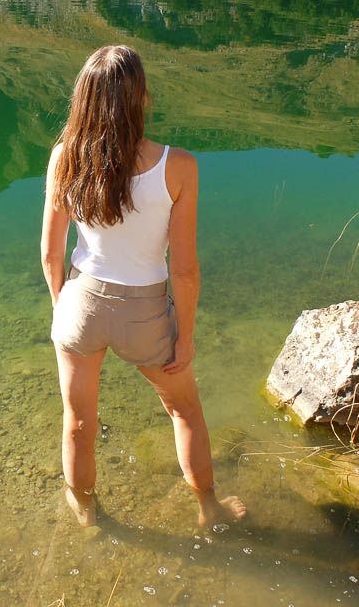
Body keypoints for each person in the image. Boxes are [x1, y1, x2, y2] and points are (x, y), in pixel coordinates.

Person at [40, 45, 246, 528]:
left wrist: (61, 308)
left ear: (84, 99)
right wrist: (186, 336)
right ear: (141, 98)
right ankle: (208, 510)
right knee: (185, 412)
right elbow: (185, 268)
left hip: (80, 304)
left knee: (78, 424)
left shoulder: (64, 158)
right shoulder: (178, 166)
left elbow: (51, 252)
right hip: (145, 314)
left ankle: (86, 512)